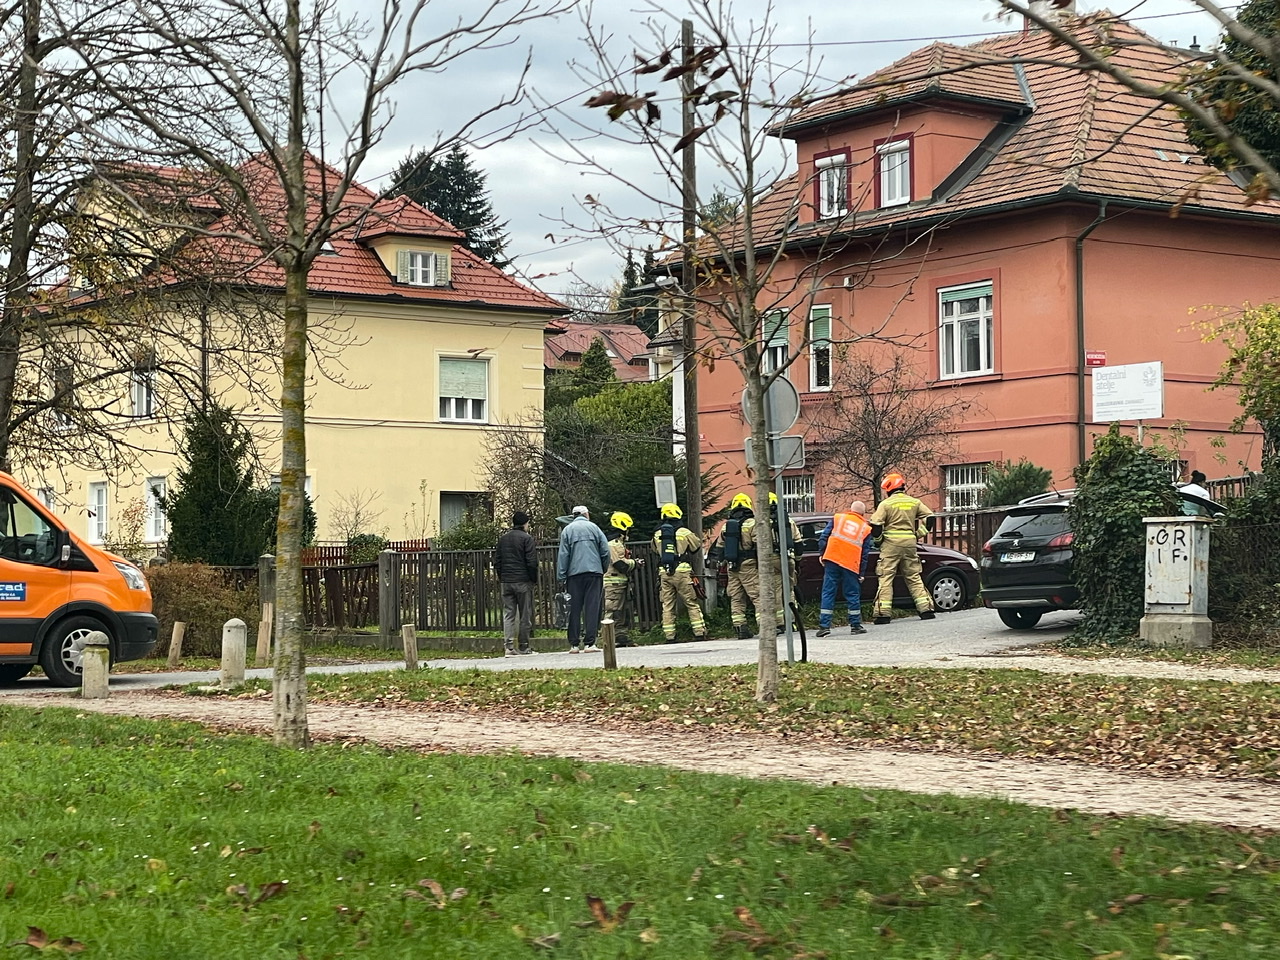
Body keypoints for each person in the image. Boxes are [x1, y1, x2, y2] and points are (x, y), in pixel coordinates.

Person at [868, 472, 936, 625]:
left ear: (889, 488)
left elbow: (876, 525)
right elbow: (930, 518)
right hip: (910, 543)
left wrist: (878, 541)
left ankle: (883, 614)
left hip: (891, 545)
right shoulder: (914, 502)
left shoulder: (886, 504)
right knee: (913, 576)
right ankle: (926, 609)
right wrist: (918, 534)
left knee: (886, 577)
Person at [556, 505, 611, 653]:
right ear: (586, 514)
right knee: (592, 607)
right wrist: (602, 567)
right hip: (594, 573)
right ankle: (590, 643)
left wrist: (561, 576)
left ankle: (574, 644)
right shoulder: (594, 528)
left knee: (574, 608)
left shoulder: (567, 530)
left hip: (574, 575)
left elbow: (563, 555)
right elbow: (605, 551)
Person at [816, 500, 872, 637]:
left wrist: (822, 554)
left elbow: (824, 537)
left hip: (832, 559)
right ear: (863, 514)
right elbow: (864, 554)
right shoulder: (866, 528)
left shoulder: (838, 518)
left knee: (828, 592)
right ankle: (855, 626)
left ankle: (824, 627)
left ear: (850, 510)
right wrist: (861, 573)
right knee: (852, 593)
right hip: (850, 563)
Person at [652, 502, 706, 642]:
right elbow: (696, 546)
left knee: (667, 605)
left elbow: (654, 550)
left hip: (664, 572)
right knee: (691, 602)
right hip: (682, 571)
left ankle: (670, 636)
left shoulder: (657, 533)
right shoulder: (684, 532)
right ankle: (699, 632)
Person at [710, 493, 759, 639]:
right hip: (748, 565)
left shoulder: (726, 527)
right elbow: (759, 546)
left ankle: (740, 628)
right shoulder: (752, 523)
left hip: (732, 566)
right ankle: (765, 627)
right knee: (758, 596)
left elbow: (719, 547)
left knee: (736, 597)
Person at [495, 510, 539, 656]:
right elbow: (532, 562)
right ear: (525, 524)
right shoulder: (527, 539)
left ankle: (508, 647)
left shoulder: (503, 539)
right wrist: (533, 579)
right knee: (525, 614)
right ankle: (524, 646)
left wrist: (502, 577)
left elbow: (498, 562)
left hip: (506, 581)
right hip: (522, 581)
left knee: (509, 614)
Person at [764, 492, 804, 634]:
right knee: (789, 590)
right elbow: (798, 544)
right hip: (788, 559)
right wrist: (797, 562)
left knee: (776, 592)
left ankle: (780, 624)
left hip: (772, 560)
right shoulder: (789, 521)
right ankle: (793, 622)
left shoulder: (762, 523)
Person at [603, 511, 641, 647]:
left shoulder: (617, 543)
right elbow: (620, 564)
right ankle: (608, 640)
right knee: (612, 612)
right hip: (613, 583)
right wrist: (634, 563)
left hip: (619, 583)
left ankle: (620, 638)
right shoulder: (613, 544)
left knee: (621, 613)